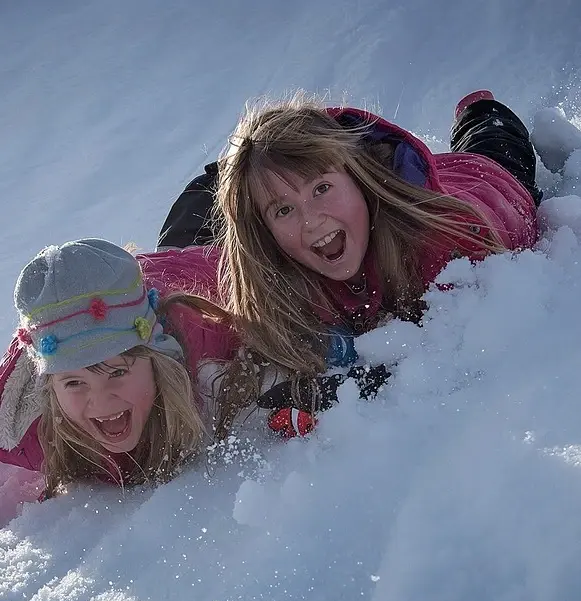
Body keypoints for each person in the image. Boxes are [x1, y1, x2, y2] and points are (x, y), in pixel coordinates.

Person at [157, 91, 541, 435]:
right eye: (284, 210)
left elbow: (449, 350)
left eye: (322, 188)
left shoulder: (445, 242)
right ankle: (232, 181)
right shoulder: (274, 266)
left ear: (358, 179)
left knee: (493, 145)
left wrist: (357, 383)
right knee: (192, 234)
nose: (312, 221)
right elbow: (183, 279)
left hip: (483, 181)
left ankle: (478, 108)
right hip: (251, 214)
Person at [0, 238, 237, 498]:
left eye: (118, 372)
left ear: (156, 359)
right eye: (74, 383)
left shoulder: (203, 334)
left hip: (201, 262)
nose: (101, 401)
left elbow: (260, 285)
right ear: (50, 387)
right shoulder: (27, 433)